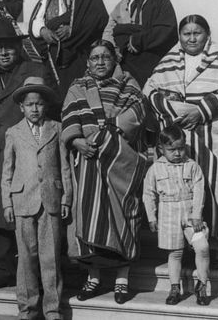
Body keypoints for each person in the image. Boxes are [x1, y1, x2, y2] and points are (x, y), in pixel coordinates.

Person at [144, 14, 218, 268]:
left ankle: (212, 247)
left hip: (211, 136)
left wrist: (200, 111)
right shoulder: (170, 59)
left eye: (197, 32)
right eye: (186, 33)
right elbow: (150, 90)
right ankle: (182, 246)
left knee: (208, 189)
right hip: (178, 137)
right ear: (180, 36)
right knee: (180, 190)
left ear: (207, 34)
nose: (192, 38)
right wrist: (171, 108)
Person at [0, 19, 55, 291]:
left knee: (30, 212)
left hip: (26, 154)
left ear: (19, 47)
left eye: (9, 47)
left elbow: (49, 108)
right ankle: (3, 269)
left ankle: (37, 272)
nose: (4, 53)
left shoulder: (35, 70)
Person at [61, 39, 147, 304]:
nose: (100, 62)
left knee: (124, 216)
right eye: (95, 57)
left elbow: (137, 113)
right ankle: (93, 278)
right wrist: (77, 141)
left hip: (119, 160)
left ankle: (122, 281)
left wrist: (106, 139)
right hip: (87, 163)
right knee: (89, 215)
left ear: (115, 60)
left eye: (105, 57)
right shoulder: (77, 87)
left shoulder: (129, 85)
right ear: (88, 62)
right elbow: (69, 116)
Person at [2, 76, 71, 320]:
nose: (34, 109)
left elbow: (65, 167)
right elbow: (7, 171)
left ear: (46, 105)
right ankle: (27, 309)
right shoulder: (14, 132)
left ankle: (52, 309)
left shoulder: (57, 128)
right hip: (23, 201)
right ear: (21, 107)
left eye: (39, 104)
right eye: (29, 104)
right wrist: (7, 202)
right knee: (26, 259)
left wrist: (66, 198)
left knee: (50, 257)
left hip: (50, 200)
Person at [143, 125, 210, 306]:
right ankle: (174, 288)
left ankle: (202, 285)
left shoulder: (192, 166)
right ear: (161, 149)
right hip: (168, 214)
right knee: (175, 253)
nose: (178, 153)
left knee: (202, 247)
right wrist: (152, 217)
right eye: (172, 150)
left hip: (190, 215)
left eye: (181, 148)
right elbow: (148, 194)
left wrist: (197, 214)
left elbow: (199, 190)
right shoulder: (155, 169)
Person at [29, 0, 108, 98]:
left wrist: (73, 29)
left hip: (81, 58)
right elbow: (35, 20)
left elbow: (98, 19)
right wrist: (43, 30)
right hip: (55, 64)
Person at [102, 0, 177, 87]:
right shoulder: (121, 6)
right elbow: (108, 32)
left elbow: (167, 30)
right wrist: (113, 51)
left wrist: (138, 39)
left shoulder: (161, 2)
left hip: (154, 66)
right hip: (125, 66)